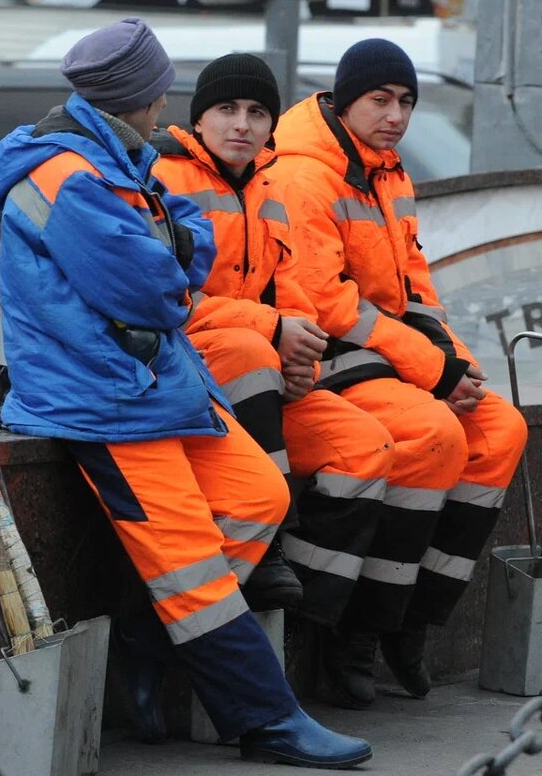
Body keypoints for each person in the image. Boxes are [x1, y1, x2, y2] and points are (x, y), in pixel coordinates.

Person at [0, 18, 372, 769]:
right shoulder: (66, 173)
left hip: (153, 382)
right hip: (102, 398)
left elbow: (186, 237)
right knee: (192, 560)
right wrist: (171, 256)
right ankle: (266, 719)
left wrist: (169, 253)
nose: (165, 100)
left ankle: (141, 625)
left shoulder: (120, 155)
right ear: (136, 91)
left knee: (261, 493)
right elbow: (157, 290)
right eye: (158, 87)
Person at [268, 39, 529, 709]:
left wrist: (458, 366)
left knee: (500, 428)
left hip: (382, 355)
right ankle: (352, 629)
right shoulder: (306, 174)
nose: (396, 113)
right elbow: (328, 305)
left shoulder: (388, 172)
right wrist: (432, 371)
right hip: (325, 359)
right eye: (381, 99)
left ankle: (412, 619)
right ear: (345, 99)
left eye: (406, 101)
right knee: (433, 432)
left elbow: (415, 290)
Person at [151, 53, 398, 657]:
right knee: (245, 348)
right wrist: (272, 329)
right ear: (199, 118)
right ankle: (272, 549)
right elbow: (166, 299)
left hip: (259, 373)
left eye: (258, 112)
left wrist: (301, 358)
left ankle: (315, 631)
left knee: (368, 447)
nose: (243, 124)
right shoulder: (164, 174)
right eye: (227, 110)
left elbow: (292, 292)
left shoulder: (269, 184)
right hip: (187, 365)